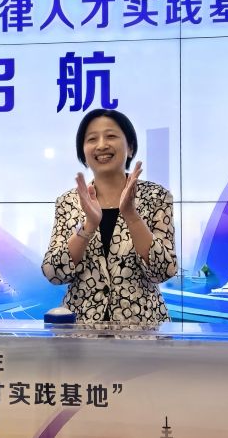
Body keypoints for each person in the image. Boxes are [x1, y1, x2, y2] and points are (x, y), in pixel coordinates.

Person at [41, 108, 177, 324]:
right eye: (92, 139)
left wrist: (131, 215)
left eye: (111, 136)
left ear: (130, 147)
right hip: (82, 329)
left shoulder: (156, 196)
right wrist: (88, 226)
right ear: (83, 152)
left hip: (143, 328)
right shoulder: (68, 201)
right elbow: (54, 273)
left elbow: (163, 271)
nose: (101, 145)